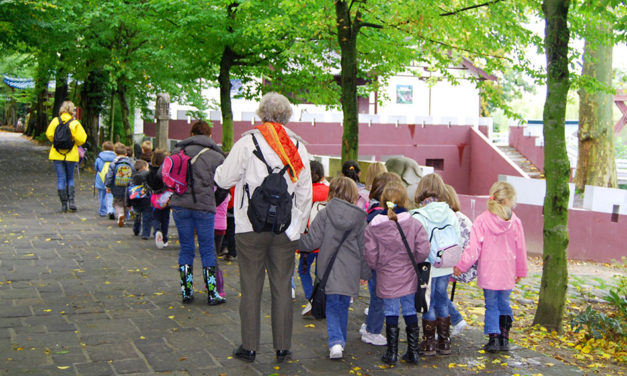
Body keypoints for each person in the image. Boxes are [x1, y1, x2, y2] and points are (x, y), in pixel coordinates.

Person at [214, 92, 312, 364]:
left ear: (261, 114)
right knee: (282, 286)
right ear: (287, 116)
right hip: (285, 227)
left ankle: (250, 347)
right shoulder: (297, 146)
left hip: (249, 226)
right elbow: (305, 192)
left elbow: (223, 179)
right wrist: (297, 226)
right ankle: (282, 348)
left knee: (251, 286)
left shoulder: (248, 142)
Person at [298, 177, 370, 359]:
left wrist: (293, 240)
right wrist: (364, 272)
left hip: (328, 269)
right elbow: (364, 248)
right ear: (354, 195)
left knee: (331, 306)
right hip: (350, 270)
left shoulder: (324, 213)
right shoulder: (360, 218)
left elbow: (311, 241)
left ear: (332, 193)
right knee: (343, 306)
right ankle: (341, 341)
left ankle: (335, 342)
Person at [454, 181, 528, 352]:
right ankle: (504, 338)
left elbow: (473, 249)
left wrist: (461, 266)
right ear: (509, 200)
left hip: (488, 272)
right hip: (507, 272)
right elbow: (521, 248)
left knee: (491, 305)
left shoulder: (482, 220)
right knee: (505, 303)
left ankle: (493, 339)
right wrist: (520, 270)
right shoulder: (515, 222)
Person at [364, 181, 430, 365]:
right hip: (408, 274)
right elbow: (423, 249)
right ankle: (413, 352)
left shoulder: (374, 226)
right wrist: (413, 261)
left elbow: (370, 254)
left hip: (386, 275)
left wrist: (378, 265)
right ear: (403, 200)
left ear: (384, 201)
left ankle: (391, 353)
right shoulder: (414, 223)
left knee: (390, 310)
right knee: (409, 309)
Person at [168, 120, 226, 306]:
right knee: (207, 249)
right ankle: (212, 292)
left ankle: (186, 291)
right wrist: (213, 201)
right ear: (209, 135)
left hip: (180, 206)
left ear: (191, 133)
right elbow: (224, 185)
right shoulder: (216, 157)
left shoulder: (177, 151)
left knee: (186, 249)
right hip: (204, 208)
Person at [410, 173, 461, 356]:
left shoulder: (418, 215)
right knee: (442, 301)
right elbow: (459, 239)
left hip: (427, 267)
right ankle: (444, 342)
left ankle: (429, 343)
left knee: (428, 303)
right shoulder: (451, 213)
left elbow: (416, 244)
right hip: (446, 265)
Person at [359, 172, 404, 347]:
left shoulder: (372, 208)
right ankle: (372, 331)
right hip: (382, 262)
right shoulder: (381, 214)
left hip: (375, 261)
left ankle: (370, 326)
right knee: (380, 298)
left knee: (376, 297)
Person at [45, 101, 87, 212]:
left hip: (57, 154)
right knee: (70, 178)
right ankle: (71, 201)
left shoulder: (55, 121)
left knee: (61, 179)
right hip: (71, 154)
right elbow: (82, 139)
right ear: (72, 110)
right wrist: (74, 142)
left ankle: (63, 204)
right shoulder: (75, 123)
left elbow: (49, 135)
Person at [299, 160, 329, 310]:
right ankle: (319, 298)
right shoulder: (329, 191)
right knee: (320, 272)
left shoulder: (304, 192)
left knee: (303, 271)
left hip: (308, 240)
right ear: (322, 176)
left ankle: (311, 297)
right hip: (326, 240)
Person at [443, 184, 472, 337]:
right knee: (436, 291)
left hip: (454, 266)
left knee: (435, 291)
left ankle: (454, 319)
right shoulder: (462, 217)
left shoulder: (450, 218)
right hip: (462, 265)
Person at [105, 142, 135, 227]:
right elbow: (134, 174)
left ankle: (120, 215)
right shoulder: (130, 163)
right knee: (126, 203)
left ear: (115, 153)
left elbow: (109, 176)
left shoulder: (114, 163)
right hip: (128, 186)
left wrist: (108, 186)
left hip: (116, 186)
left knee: (118, 203)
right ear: (126, 153)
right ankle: (124, 218)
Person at [146, 149, 171, 248]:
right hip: (165, 197)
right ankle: (164, 238)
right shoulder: (164, 172)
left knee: (155, 216)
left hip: (154, 197)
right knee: (165, 218)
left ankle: (157, 230)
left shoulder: (149, 172)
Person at [129, 160, 152, 239]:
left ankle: (136, 229)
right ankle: (145, 233)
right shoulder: (148, 175)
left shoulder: (133, 177)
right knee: (147, 216)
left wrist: (128, 203)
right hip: (146, 199)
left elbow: (128, 190)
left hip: (136, 199)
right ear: (144, 167)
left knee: (137, 214)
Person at [94, 141, 116, 218]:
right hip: (111, 179)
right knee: (110, 194)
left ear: (103, 148)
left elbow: (96, 168)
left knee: (102, 195)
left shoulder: (99, 158)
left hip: (101, 178)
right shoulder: (115, 158)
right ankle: (111, 210)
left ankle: (102, 211)